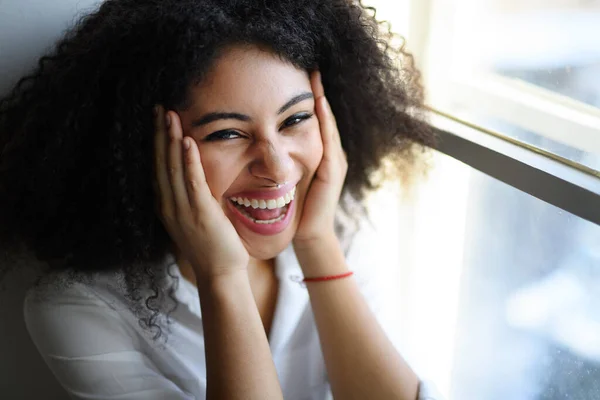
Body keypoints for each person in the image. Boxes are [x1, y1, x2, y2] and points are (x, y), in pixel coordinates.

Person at [0, 0, 441, 399]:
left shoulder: (342, 227)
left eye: (296, 119)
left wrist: (318, 245)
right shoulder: (80, 308)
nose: (278, 168)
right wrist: (223, 277)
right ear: (146, 152)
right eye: (227, 133)